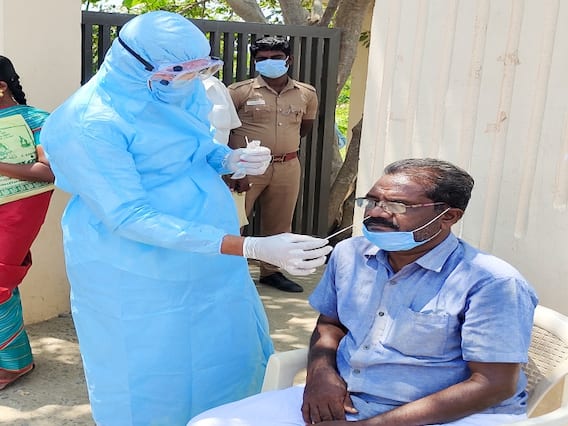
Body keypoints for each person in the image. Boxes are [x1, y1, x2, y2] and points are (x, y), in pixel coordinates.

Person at [39, 11, 331, 425]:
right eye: (179, 73)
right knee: (152, 365)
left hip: (210, 255)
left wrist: (228, 158)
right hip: (135, 265)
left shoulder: (178, 87)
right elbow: (129, 215)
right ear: (133, 63)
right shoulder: (89, 122)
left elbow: (194, 143)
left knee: (227, 348)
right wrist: (249, 246)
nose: (191, 81)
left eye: (200, 70)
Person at [189, 158, 539, 426]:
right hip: (349, 401)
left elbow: (493, 384)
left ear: (448, 217)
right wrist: (321, 375)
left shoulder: (491, 282)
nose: (376, 214)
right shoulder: (351, 254)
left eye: (397, 206)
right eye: (371, 201)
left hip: (449, 414)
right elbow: (331, 324)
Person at [228, 36, 319, 293]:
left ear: (289, 60)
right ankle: (230, 273)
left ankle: (271, 272)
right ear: (255, 62)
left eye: (276, 58)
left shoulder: (306, 93)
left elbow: (304, 128)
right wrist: (234, 169)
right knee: (234, 220)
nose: (269, 62)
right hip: (245, 168)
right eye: (262, 59)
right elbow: (223, 131)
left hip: (287, 166)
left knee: (280, 223)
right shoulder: (238, 92)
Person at [0, 56, 54, 389]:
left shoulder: (37, 120)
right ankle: (14, 356)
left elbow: (48, 171)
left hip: (17, 212)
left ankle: (14, 365)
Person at [203, 75, 248, 227]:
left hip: (218, 174)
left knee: (225, 225)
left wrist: (233, 166)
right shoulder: (161, 90)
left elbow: (230, 131)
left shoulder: (216, 85)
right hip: (183, 179)